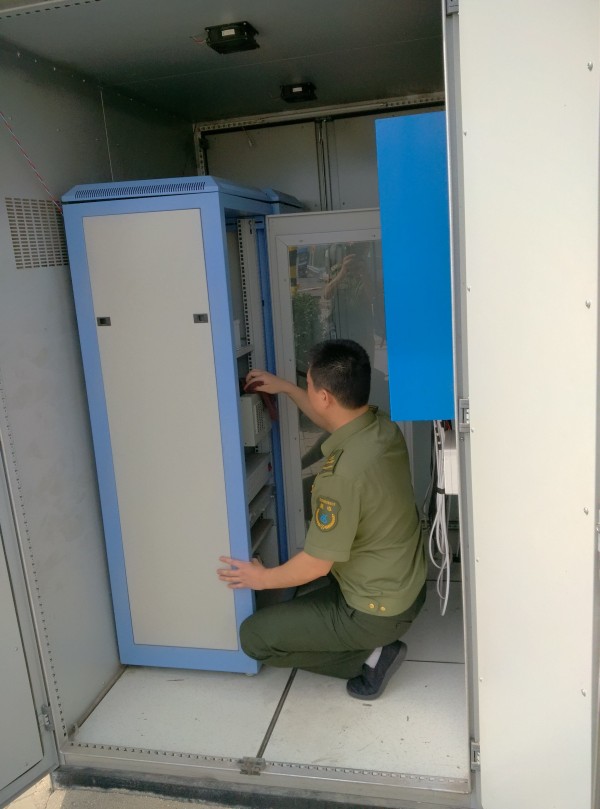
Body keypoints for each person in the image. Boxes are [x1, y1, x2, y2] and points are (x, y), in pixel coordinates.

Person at [217, 339, 426, 700]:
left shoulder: (340, 477)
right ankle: (366, 638)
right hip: (406, 588)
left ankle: (372, 656)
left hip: (376, 611)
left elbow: (316, 564)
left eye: (310, 385)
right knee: (301, 593)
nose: (308, 389)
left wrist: (261, 578)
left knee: (254, 638)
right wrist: (286, 388)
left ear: (325, 396)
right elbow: (330, 418)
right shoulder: (381, 428)